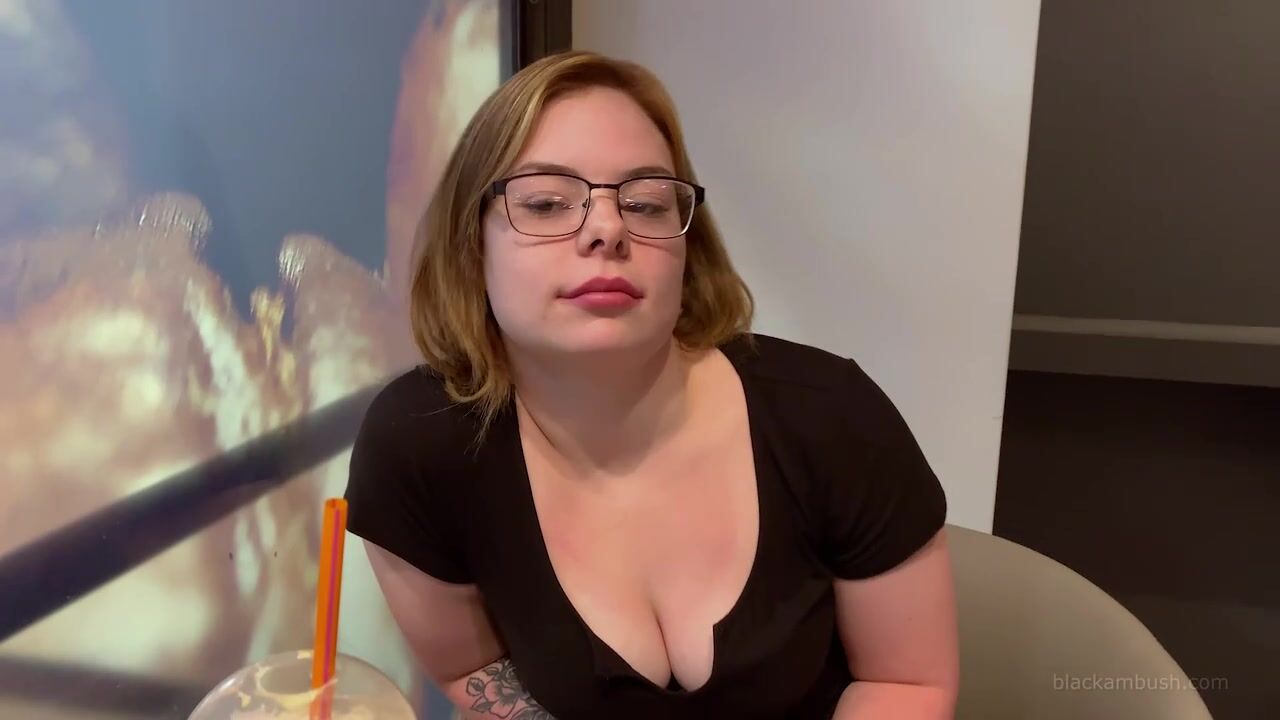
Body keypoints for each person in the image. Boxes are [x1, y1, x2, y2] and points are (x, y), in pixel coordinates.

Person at [345, 50, 959, 719]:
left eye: (645, 203)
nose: (608, 229)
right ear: (472, 245)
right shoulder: (418, 443)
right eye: (546, 203)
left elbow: (905, 682)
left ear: (688, 248)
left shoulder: (833, 416)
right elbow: (469, 667)